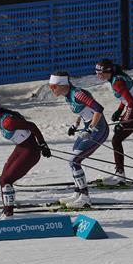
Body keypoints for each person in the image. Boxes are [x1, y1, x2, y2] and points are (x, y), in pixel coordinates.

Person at [0, 97, 51, 218]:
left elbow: (32, 126)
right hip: (21, 148)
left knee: (6, 181)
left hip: (30, 152)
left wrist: (42, 144)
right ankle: (6, 210)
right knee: (3, 180)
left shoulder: (7, 122)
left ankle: (9, 214)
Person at [48, 71, 109, 208]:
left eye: (54, 87)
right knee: (72, 160)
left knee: (74, 160)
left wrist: (90, 128)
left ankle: (85, 197)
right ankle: (78, 193)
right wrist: (75, 124)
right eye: (50, 86)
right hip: (88, 126)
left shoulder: (78, 94)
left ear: (62, 84)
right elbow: (82, 111)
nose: (51, 89)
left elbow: (99, 109)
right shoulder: (68, 95)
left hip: (98, 129)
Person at [95, 59, 133, 185]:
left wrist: (123, 121)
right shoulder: (118, 78)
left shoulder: (117, 82)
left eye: (100, 72)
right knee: (116, 139)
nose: (97, 75)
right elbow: (126, 98)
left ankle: (120, 175)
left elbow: (131, 103)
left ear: (108, 71)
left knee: (116, 140)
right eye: (96, 72)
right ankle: (119, 173)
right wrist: (119, 111)